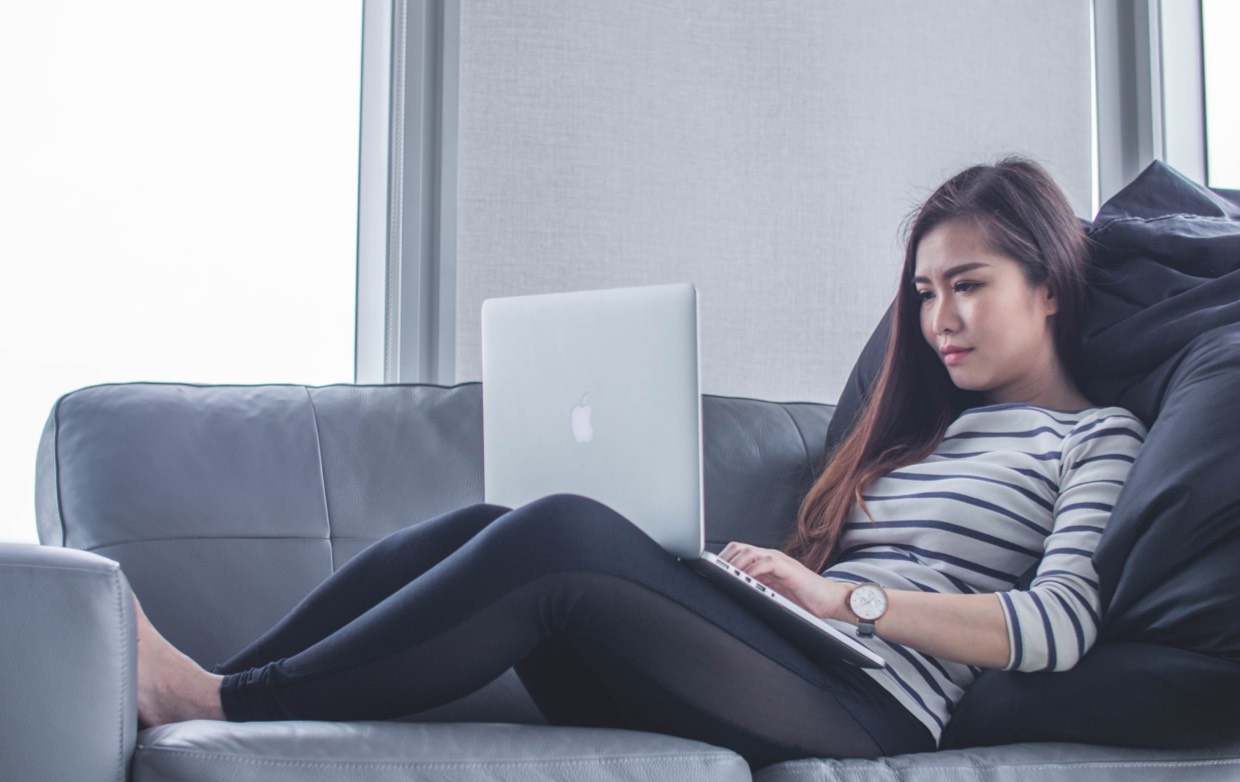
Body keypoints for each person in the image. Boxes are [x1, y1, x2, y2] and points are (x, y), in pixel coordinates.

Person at [135, 158, 1146, 766]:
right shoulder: (923, 432)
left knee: (561, 532)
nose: (937, 320)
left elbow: (1057, 625)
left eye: (965, 285)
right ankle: (221, 682)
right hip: (788, 661)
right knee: (498, 522)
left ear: (1048, 284)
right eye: (922, 294)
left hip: (876, 708)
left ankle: (220, 701)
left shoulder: (1095, 436)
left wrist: (847, 603)